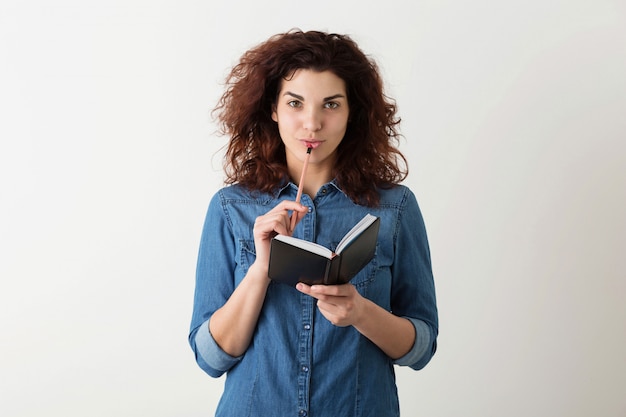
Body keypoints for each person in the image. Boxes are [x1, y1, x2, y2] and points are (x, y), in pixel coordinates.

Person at [189, 29, 438, 417]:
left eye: (331, 105)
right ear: (272, 108)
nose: (312, 123)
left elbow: (421, 348)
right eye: (295, 103)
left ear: (352, 111)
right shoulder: (231, 208)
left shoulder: (396, 208)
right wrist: (261, 269)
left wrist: (360, 313)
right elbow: (210, 357)